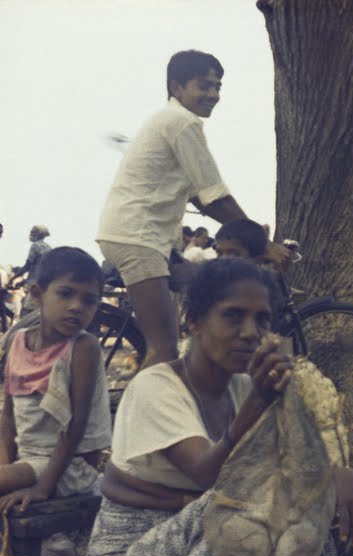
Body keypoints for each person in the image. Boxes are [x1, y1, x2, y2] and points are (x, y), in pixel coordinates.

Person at [84, 258, 353, 556]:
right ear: (194, 323)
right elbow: (208, 473)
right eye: (233, 316)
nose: (250, 332)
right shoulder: (155, 387)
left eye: (262, 319)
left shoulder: (243, 383)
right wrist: (260, 401)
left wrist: (343, 475)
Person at [96, 50, 263, 368]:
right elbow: (215, 196)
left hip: (147, 239)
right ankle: (141, 415)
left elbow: (201, 197)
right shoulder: (182, 122)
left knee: (207, 283)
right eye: (204, 85)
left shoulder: (171, 121)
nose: (213, 94)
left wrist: (244, 229)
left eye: (218, 87)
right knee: (164, 351)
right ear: (177, 87)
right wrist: (260, 241)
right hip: (138, 238)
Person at [0, 248, 111, 513]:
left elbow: (76, 425)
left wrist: (42, 488)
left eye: (89, 301)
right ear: (37, 294)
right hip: (26, 458)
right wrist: (6, 469)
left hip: (68, 467)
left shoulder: (83, 347)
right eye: (65, 294)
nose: (77, 307)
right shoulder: (18, 341)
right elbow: (8, 419)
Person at [12, 225, 53, 315]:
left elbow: (28, 265)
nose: (30, 234)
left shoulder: (35, 245)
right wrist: (23, 282)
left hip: (34, 286)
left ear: (37, 234)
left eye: (32, 232)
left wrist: (13, 278)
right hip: (43, 286)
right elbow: (39, 270)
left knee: (25, 313)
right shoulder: (49, 248)